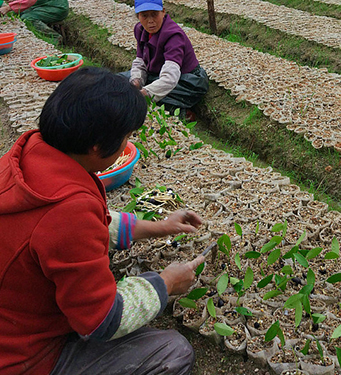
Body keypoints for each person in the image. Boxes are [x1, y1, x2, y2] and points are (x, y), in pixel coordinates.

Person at [0, 67, 205, 375]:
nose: (126, 144)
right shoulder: (68, 213)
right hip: (25, 357)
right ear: (97, 148)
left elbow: (83, 228)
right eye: (126, 137)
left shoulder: (29, 154)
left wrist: (161, 226)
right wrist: (166, 283)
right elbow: (103, 320)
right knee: (173, 352)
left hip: (14, 321)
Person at [120, 0, 209, 120]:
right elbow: (140, 61)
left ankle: (183, 114)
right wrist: (136, 81)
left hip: (187, 80)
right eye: (144, 15)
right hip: (157, 74)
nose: (150, 21)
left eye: (154, 14)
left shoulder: (173, 35)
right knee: (119, 82)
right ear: (138, 16)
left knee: (154, 99)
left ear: (163, 12)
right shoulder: (140, 30)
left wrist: (145, 93)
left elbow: (170, 77)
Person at [0, 0, 68, 43]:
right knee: (20, 13)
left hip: (57, 8)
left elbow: (29, 1)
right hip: (45, 5)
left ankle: (54, 37)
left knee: (28, 18)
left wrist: (8, 8)